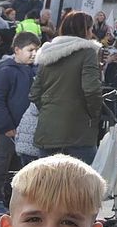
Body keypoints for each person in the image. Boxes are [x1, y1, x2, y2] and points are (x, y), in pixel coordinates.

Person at [30, 11, 103, 164]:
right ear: (84, 30)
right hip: (78, 131)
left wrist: (48, 109)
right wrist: (94, 113)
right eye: (90, 29)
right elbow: (91, 89)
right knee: (81, 184)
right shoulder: (87, 52)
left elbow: (35, 92)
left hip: (47, 129)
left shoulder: (48, 52)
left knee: (48, 183)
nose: (92, 33)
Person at [0, 33, 40, 216]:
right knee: (1, 162)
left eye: (36, 50)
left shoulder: (33, 71)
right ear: (17, 50)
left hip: (23, 131)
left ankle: (10, 198)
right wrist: (5, 126)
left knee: (16, 167)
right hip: (8, 129)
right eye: (30, 50)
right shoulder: (6, 71)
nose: (34, 54)